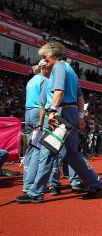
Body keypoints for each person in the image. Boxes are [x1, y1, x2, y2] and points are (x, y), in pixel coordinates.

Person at [16, 42, 102, 203]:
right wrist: (80, 116)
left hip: (61, 114)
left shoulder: (58, 67)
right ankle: (95, 183)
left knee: (47, 152)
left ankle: (35, 193)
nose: (44, 60)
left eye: (45, 57)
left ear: (54, 55)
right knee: (72, 154)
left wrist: (52, 111)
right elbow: (80, 97)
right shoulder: (71, 71)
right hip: (70, 114)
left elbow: (59, 92)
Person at [22, 60, 50, 192]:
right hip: (38, 113)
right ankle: (31, 184)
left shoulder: (30, 81)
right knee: (39, 149)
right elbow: (45, 102)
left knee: (31, 148)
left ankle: (26, 183)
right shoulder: (44, 80)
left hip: (28, 113)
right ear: (44, 68)